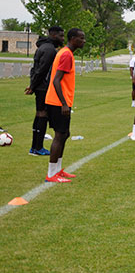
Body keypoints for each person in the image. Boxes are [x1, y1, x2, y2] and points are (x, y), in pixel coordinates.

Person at [43, 28, 85, 183]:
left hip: (60, 101)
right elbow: (56, 80)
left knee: (65, 134)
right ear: (72, 38)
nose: (84, 41)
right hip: (58, 102)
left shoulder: (66, 53)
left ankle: (57, 170)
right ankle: (51, 174)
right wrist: (64, 104)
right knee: (60, 135)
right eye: (81, 38)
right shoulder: (66, 54)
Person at [25, 25, 64, 156]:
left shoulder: (44, 47)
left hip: (39, 86)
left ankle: (34, 147)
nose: (63, 38)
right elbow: (42, 70)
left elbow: (35, 69)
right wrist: (33, 86)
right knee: (43, 114)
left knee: (39, 114)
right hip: (43, 87)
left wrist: (32, 85)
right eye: (61, 35)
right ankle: (38, 147)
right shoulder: (49, 50)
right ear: (53, 35)